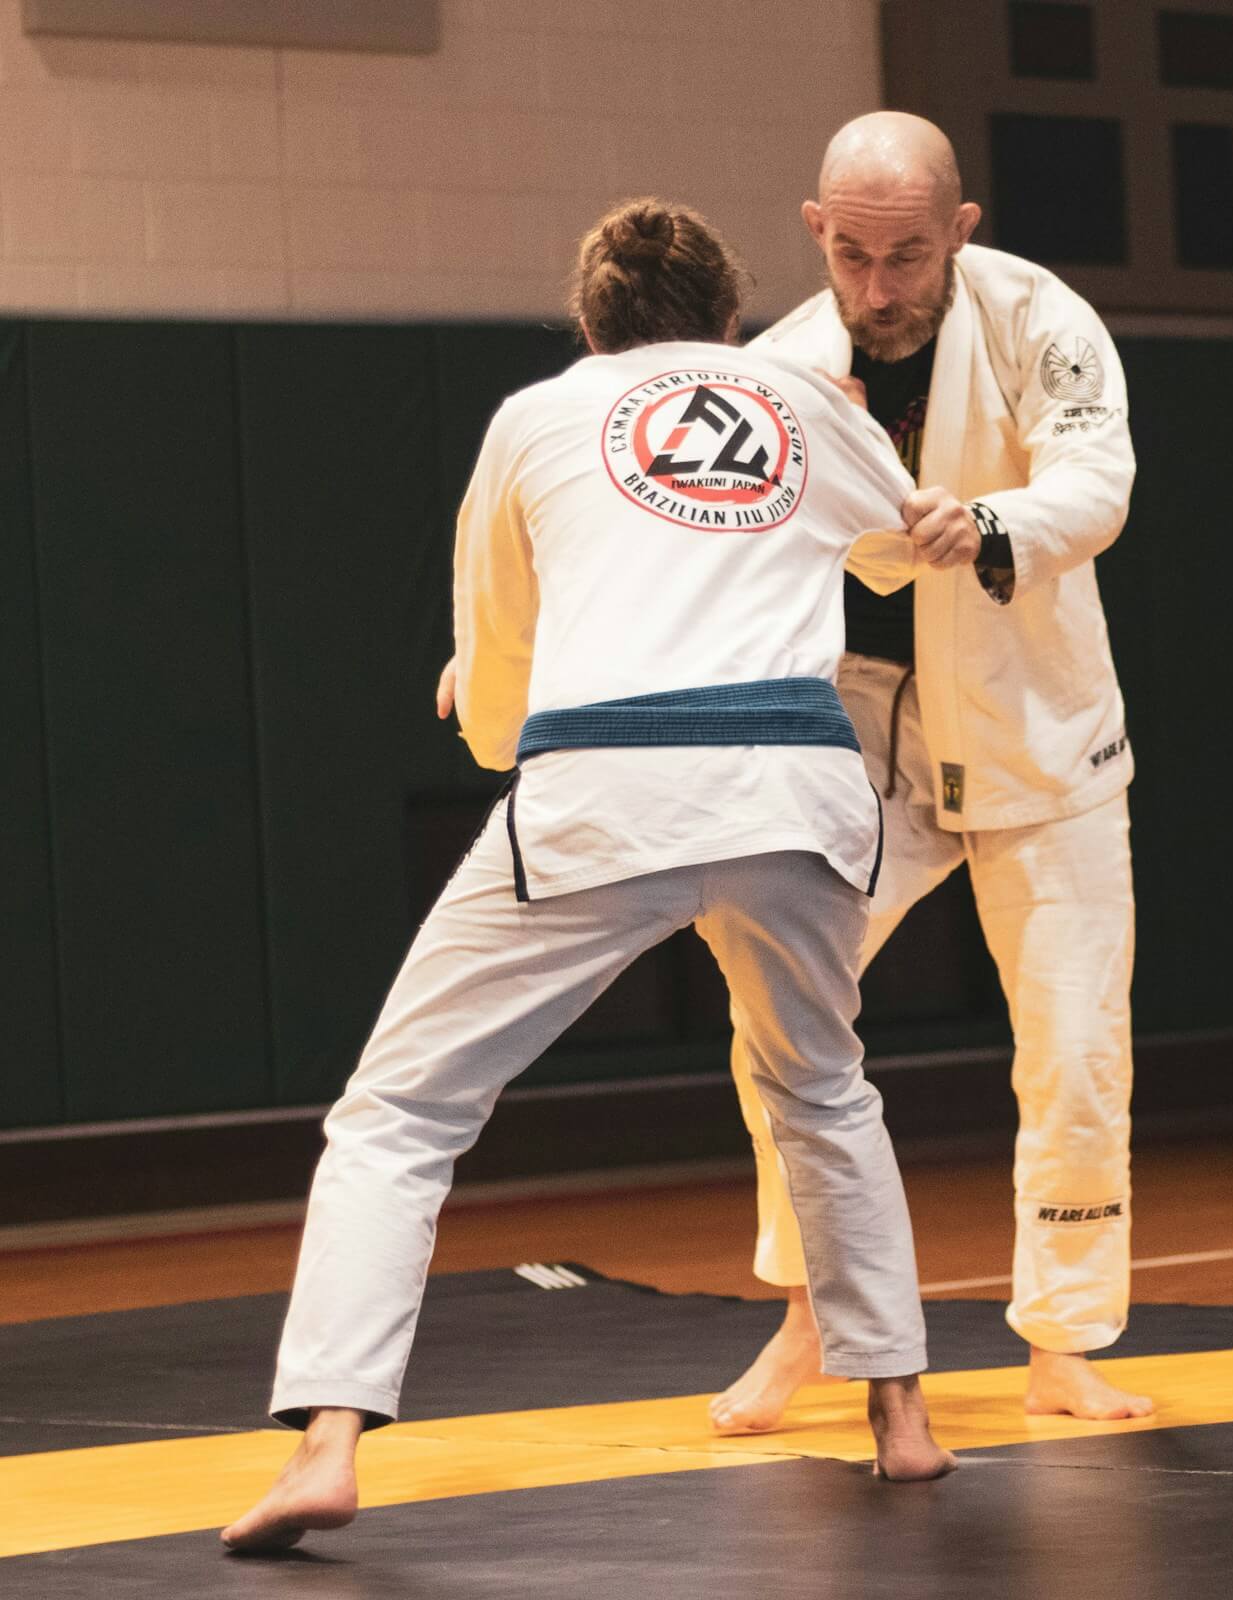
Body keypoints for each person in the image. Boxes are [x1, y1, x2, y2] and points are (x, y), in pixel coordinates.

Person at [222, 198, 958, 1554]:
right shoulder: (803, 401)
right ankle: (901, 1417)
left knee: (400, 1111)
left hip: (609, 782)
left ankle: (327, 1445)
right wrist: (865, 476)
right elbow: (918, 546)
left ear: (588, 323)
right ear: (727, 315)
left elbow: (496, 644)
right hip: (796, 783)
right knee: (821, 1089)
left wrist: (491, 715)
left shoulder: (536, 417)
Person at [708, 112, 1151, 1433]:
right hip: (863, 741)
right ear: (815, 229)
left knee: (1075, 1048)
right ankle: (809, 1314)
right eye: (851, 254)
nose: (879, 285)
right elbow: (732, 549)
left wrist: (993, 518)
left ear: (960, 229)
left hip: (1039, 734)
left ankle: (1065, 1342)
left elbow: (1100, 481)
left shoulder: (1039, 320)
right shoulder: (781, 369)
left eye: (908, 254)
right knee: (779, 1020)